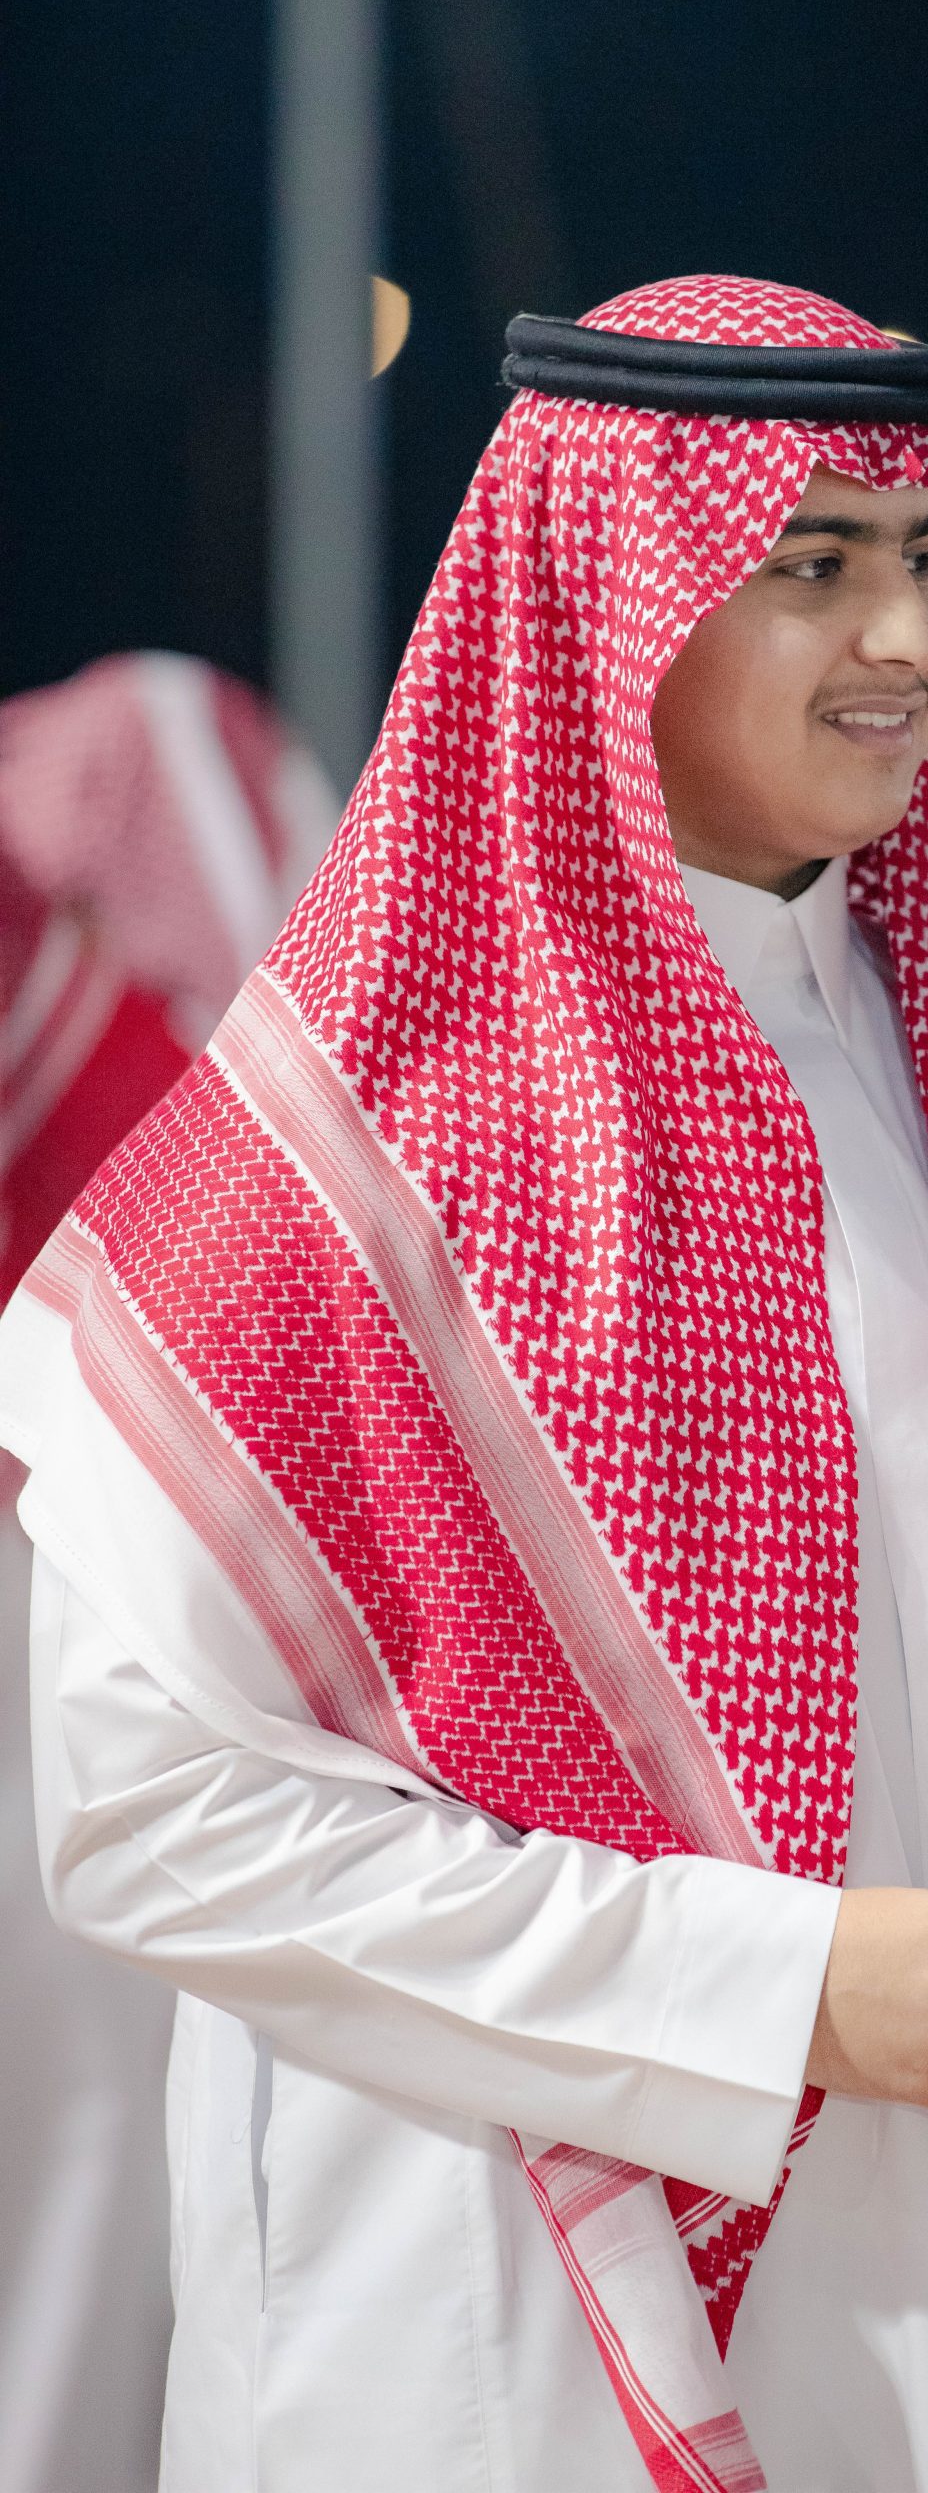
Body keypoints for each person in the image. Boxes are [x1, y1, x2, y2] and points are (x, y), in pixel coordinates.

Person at [0, 278, 928, 2493]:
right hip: (506, 2300)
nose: (904, 638)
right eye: (810, 562)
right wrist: (783, 1995)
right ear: (606, 601)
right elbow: (151, 1818)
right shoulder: (338, 1159)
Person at [0, 650, 335, 2493]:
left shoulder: (129, 738)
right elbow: (295, 1090)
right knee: (91, 2172)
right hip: (87, 1547)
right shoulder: (133, 738)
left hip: (122, 1536)